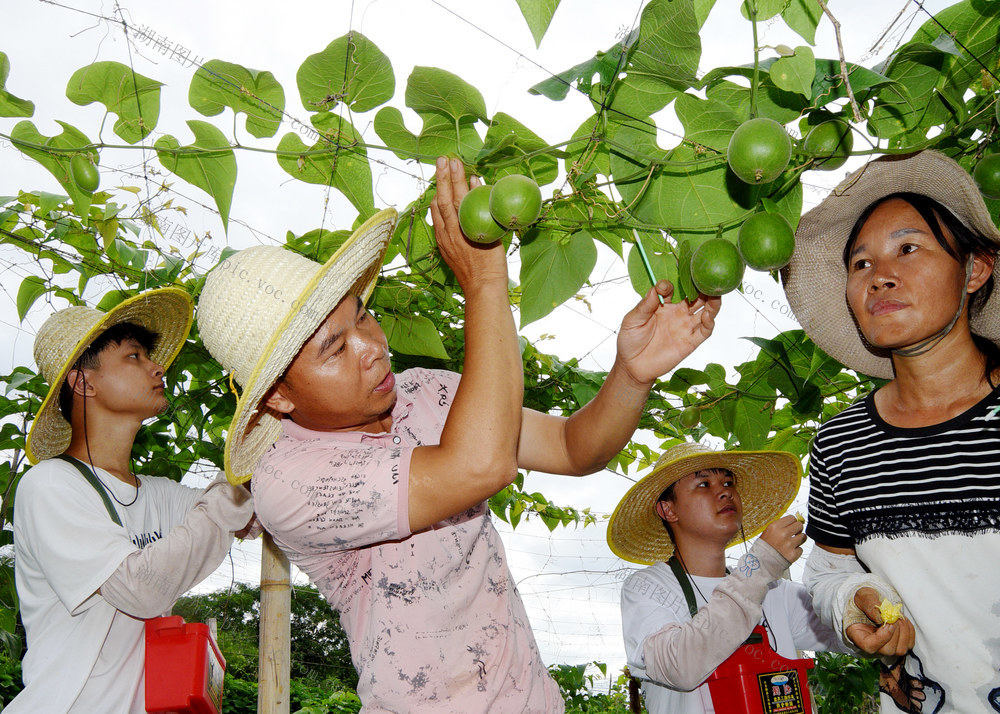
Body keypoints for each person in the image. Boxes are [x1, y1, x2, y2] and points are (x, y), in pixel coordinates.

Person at [195, 157, 722, 712]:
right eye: (334, 348)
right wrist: (486, 282)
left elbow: (573, 447)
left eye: (363, 317)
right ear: (278, 396)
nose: (372, 346)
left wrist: (632, 374)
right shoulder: (289, 482)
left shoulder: (428, 394)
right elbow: (478, 466)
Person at [781, 150, 1000, 713]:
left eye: (909, 248)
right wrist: (857, 602)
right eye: (860, 265)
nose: (880, 276)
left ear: (975, 270)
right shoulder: (841, 443)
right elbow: (830, 568)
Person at [9, 288, 256, 713]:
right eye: (133, 356)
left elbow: (244, 515)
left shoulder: (158, 493)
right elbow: (140, 588)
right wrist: (232, 493)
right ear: (83, 382)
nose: (157, 367)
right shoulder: (49, 485)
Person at [609, 441, 843, 713]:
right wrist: (760, 566)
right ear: (668, 510)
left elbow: (848, 624)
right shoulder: (648, 587)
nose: (724, 492)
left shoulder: (777, 592)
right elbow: (679, 667)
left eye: (729, 483)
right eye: (704, 484)